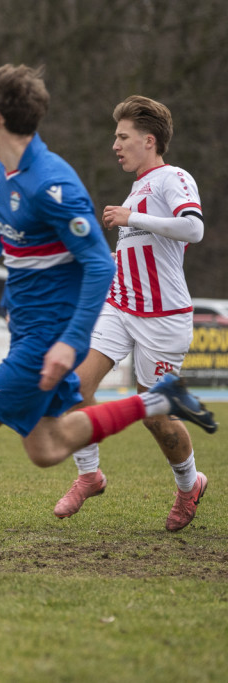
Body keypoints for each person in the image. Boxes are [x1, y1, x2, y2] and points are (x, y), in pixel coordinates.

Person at [0, 65, 217, 581]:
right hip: (99, 316)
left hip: (67, 335)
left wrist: (67, 343)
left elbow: (100, 262)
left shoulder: (55, 183)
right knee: (46, 446)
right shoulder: (5, 174)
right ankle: (132, 426)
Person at [53, 96, 209, 530]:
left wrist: (132, 216)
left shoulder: (172, 178)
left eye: (122, 137)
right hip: (120, 308)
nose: (115, 145)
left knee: (155, 415)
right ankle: (90, 474)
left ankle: (189, 484)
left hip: (163, 317)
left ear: (149, 140)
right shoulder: (138, 186)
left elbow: (193, 227)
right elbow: (138, 250)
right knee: (73, 385)